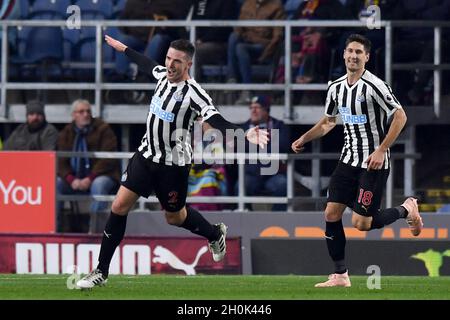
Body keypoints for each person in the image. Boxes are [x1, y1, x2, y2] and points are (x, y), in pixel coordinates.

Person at [76, 35, 268, 289]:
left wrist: (245, 133)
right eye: (168, 58)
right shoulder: (162, 75)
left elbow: (216, 118)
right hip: (146, 156)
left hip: (173, 165)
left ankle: (214, 233)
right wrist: (124, 49)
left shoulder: (195, 93)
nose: (170, 65)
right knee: (119, 206)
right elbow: (146, 64)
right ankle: (101, 271)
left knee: (175, 218)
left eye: (176, 61)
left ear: (187, 64)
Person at [291, 34, 423, 287]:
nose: (353, 55)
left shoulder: (375, 85)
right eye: (350, 51)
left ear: (367, 57)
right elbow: (329, 121)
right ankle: (340, 275)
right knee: (331, 213)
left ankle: (407, 209)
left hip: (373, 162)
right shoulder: (336, 87)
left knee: (361, 223)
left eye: (359, 52)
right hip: (348, 160)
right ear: (343, 54)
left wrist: (382, 149)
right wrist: (304, 138)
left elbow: (400, 116)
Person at [56, 99, 120, 226]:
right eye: (81, 112)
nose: (85, 114)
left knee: (99, 184)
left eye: (88, 111)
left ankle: (95, 229)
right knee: (56, 184)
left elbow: (108, 158)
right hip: (74, 179)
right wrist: (70, 179)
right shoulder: (66, 132)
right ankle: (53, 228)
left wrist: (89, 178)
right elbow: (60, 161)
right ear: (74, 115)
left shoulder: (103, 129)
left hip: (100, 176)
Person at [240, 95, 289, 211]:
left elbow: (282, 146)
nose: (253, 110)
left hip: (273, 174)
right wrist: (268, 145)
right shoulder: (243, 128)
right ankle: (245, 217)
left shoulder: (279, 125)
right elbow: (240, 148)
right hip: (252, 175)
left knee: (283, 185)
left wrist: (255, 146)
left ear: (266, 110)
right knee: (240, 186)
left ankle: (278, 220)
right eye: (251, 108)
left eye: (257, 107)